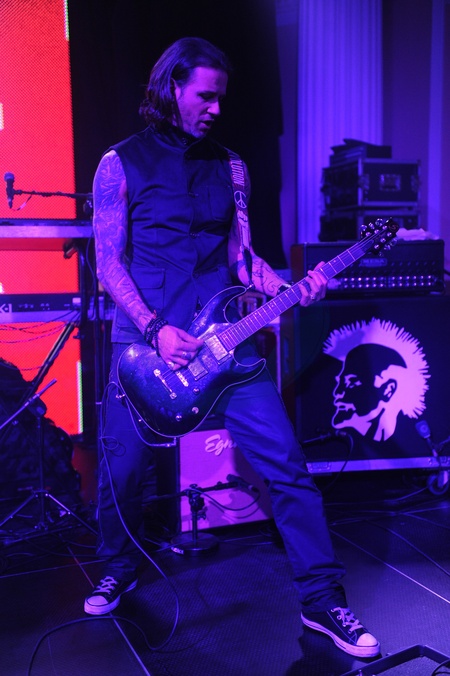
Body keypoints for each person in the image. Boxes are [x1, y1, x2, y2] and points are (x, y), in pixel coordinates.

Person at [85, 36, 380, 659]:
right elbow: (108, 263)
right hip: (147, 346)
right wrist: (154, 329)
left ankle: (324, 602)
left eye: (222, 97)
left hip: (228, 345)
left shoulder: (233, 166)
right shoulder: (118, 163)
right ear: (172, 87)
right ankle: (117, 567)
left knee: (288, 466)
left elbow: (243, 259)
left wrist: (290, 286)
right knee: (123, 468)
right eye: (205, 96)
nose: (217, 108)